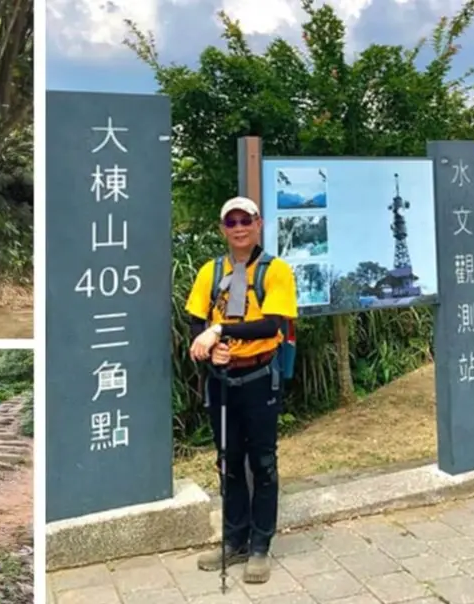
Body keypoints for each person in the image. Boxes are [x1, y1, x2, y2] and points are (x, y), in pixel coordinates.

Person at [183, 196, 298, 584]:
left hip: (261, 377)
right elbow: (195, 321)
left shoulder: (275, 271)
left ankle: (261, 545)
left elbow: (271, 326)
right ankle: (234, 540)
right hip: (223, 381)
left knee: (263, 463)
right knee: (228, 460)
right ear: (223, 229)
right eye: (230, 221)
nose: (238, 227)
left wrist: (223, 329)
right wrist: (209, 344)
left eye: (245, 219)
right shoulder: (210, 272)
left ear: (259, 223)